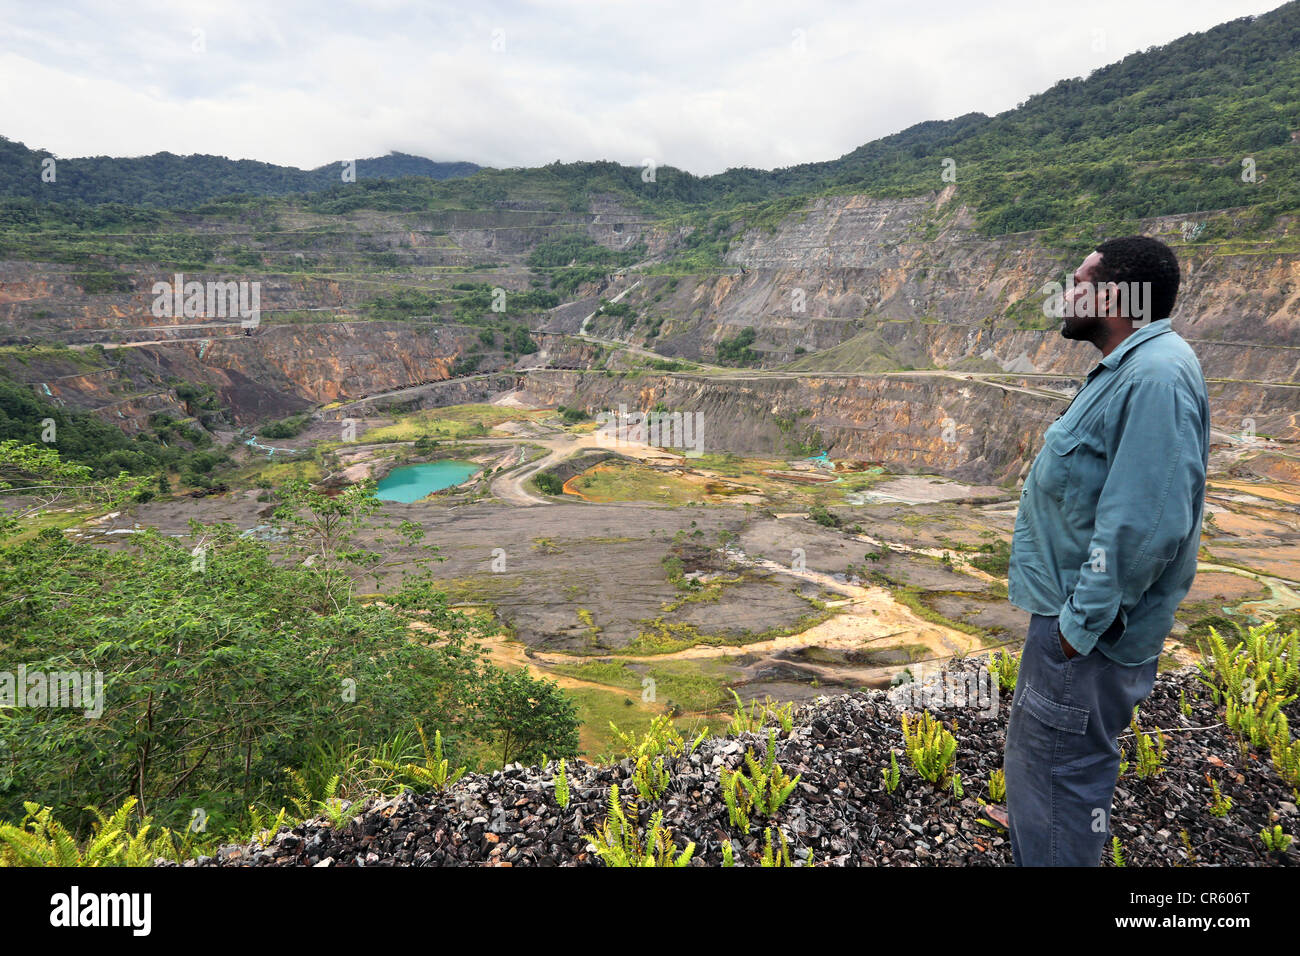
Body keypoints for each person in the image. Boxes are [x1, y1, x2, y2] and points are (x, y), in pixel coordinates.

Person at [1001, 235, 1209, 866]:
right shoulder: (1137, 370)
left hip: (1085, 641)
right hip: (1078, 632)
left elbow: (1143, 526)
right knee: (1045, 782)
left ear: (1114, 295)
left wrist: (1075, 630)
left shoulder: (1153, 377)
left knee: (1059, 789)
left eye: (1077, 281)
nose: (1064, 295)